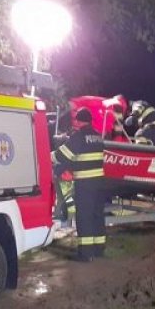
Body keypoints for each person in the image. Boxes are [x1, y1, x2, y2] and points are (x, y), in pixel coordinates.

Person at [51, 107, 106, 261]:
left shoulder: (79, 136)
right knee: (97, 215)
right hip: (99, 183)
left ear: (78, 121)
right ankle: (99, 249)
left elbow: (62, 155)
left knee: (84, 217)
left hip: (85, 183)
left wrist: (48, 156)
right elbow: (84, 157)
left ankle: (86, 254)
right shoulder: (98, 136)